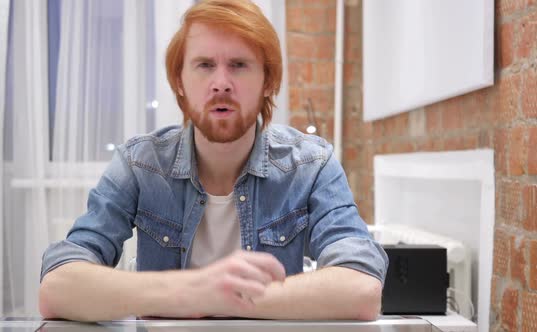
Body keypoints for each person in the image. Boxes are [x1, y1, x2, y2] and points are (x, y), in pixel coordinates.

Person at [39, 0, 388, 321]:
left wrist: (222, 299)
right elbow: (58, 288)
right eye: (204, 65)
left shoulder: (311, 166)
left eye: (239, 65)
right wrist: (196, 291)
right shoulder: (140, 164)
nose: (221, 83)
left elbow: (361, 289)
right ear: (180, 81)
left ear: (268, 81)